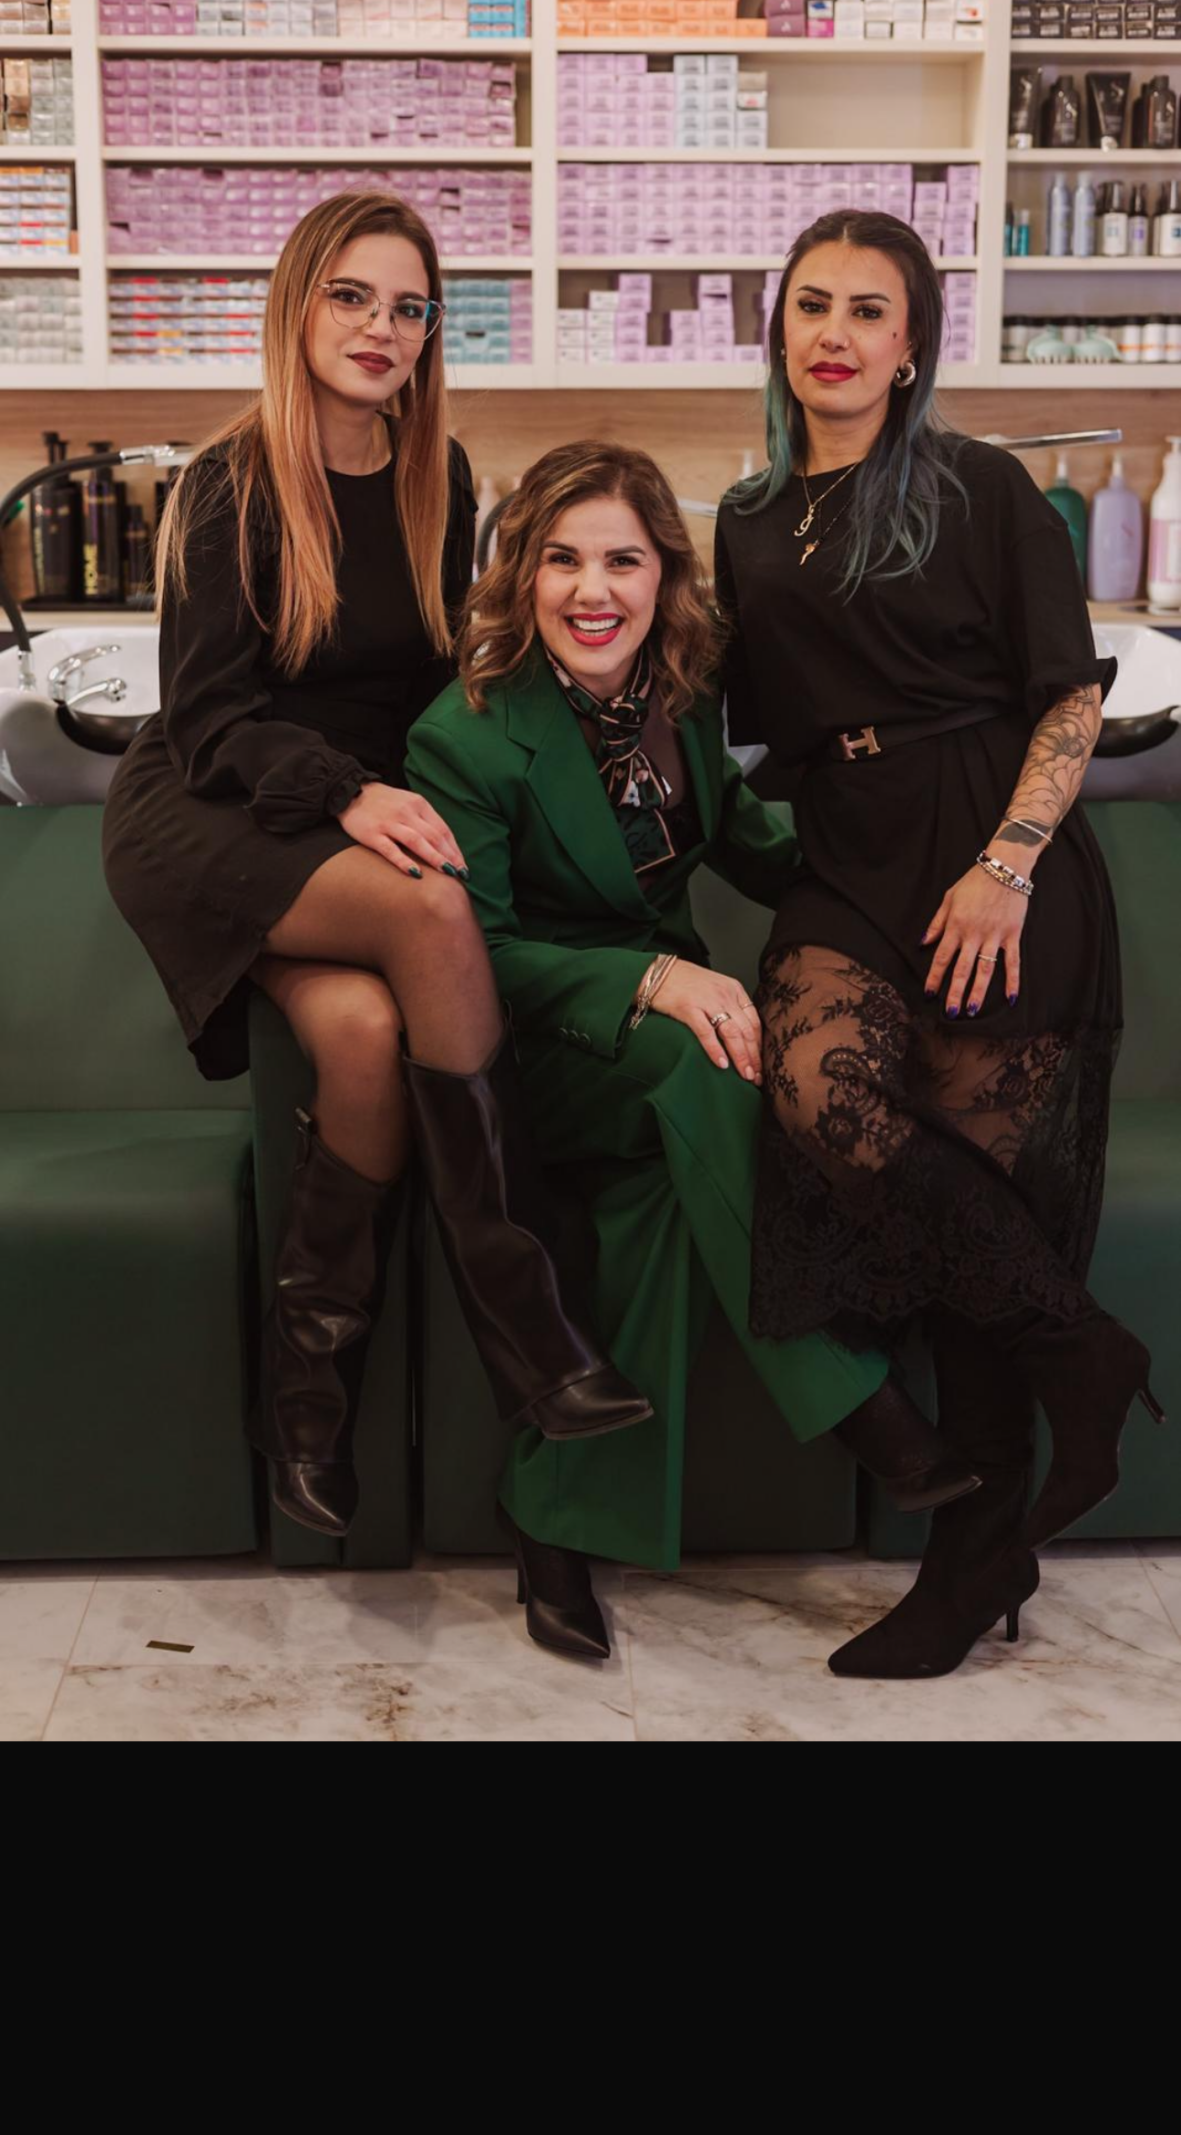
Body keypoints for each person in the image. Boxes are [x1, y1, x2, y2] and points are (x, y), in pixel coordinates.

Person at [103, 193, 648, 1544]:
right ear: (299, 304)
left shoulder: (433, 472)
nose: (380, 328)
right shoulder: (231, 481)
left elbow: (417, 687)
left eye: (408, 307)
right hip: (211, 807)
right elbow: (209, 717)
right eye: (351, 296)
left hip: (338, 814)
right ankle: (531, 1326)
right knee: (432, 908)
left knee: (358, 1038)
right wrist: (350, 796)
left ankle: (304, 1408)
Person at [406, 438, 978, 1664]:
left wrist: (893, 886)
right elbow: (475, 954)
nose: (591, 589)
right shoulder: (464, 735)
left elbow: (743, 838)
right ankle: (860, 1402)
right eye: (561, 559)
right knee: (700, 1064)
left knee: (658, 1205)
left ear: (663, 574)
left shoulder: (684, 695)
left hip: (663, 1043)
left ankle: (553, 1524)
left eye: (621, 559)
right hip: (541, 1046)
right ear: (520, 572)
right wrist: (650, 979)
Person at [715, 208, 1163, 1680]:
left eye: (868, 310)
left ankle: (973, 1558)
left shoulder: (978, 487)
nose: (834, 333)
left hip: (990, 851)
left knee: (976, 1174)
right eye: (811, 304)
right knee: (816, 1089)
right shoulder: (747, 514)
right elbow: (746, 718)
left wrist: (1007, 861)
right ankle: (1078, 1348)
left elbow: (1069, 695)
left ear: (912, 345)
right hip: (845, 856)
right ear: (778, 327)